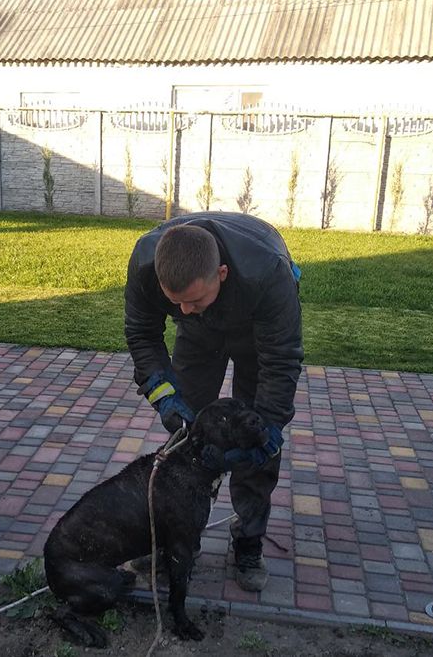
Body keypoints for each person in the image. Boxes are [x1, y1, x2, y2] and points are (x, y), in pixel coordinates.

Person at [124, 211, 304, 591]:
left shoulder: (268, 273)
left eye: (193, 299)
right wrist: (163, 392)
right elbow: (142, 334)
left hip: (258, 337)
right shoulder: (145, 263)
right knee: (182, 441)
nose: (184, 310)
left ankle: (249, 541)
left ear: (221, 273)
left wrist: (269, 427)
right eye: (177, 303)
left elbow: (281, 359)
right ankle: (176, 539)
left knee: (257, 440)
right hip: (199, 338)